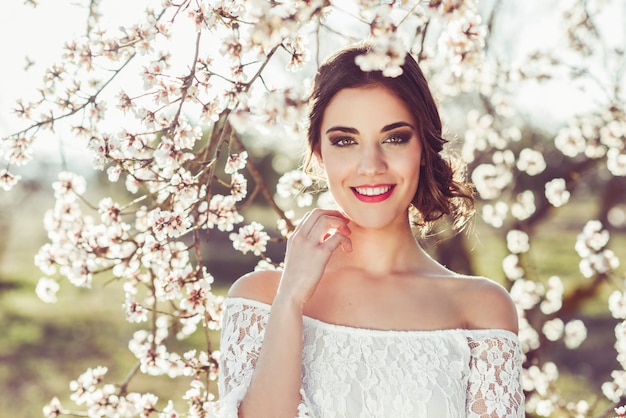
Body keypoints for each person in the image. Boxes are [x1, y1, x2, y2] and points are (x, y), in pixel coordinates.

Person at [215, 43, 525, 417]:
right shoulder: (260, 297)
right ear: (318, 153)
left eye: (395, 138)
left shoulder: (480, 307)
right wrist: (291, 300)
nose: (371, 165)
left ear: (424, 148)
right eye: (345, 141)